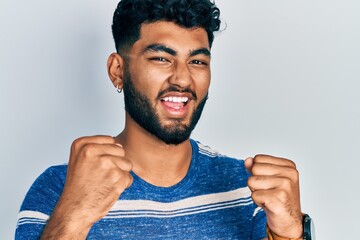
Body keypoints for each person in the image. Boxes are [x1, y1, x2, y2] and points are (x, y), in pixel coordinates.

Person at [16, 0, 310, 239]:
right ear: (117, 70)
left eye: (197, 61)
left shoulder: (250, 190)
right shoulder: (59, 188)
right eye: (161, 58)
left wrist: (290, 234)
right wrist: (74, 217)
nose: (183, 78)